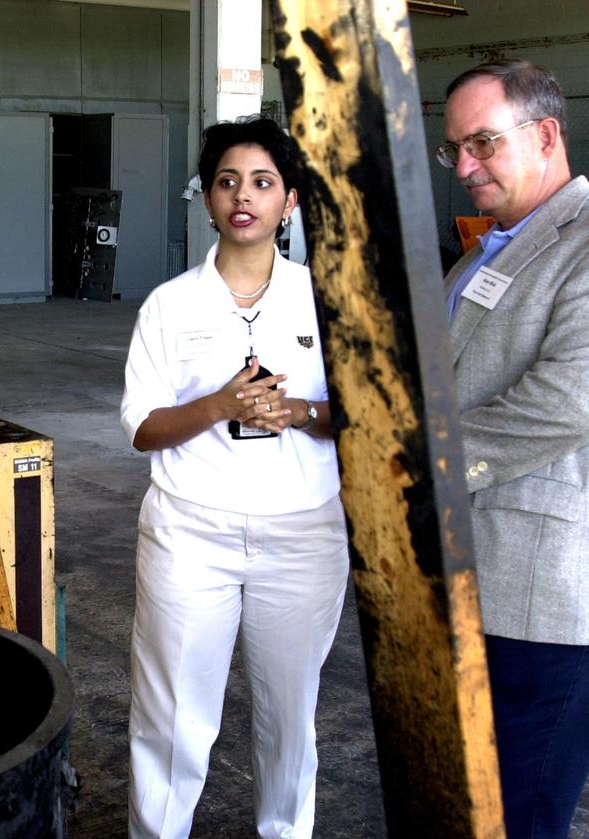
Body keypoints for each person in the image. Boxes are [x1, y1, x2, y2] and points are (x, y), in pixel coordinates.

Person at [438, 59, 589, 838]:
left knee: (521, 814)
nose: (466, 166)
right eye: (455, 149)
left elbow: (564, 404)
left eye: (482, 143)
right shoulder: (482, 253)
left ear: (545, 136)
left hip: (549, 597)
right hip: (465, 575)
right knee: (459, 805)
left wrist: (416, 461)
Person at [120, 116, 349, 839]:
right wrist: (219, 404)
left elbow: (360, 413)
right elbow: (142, 428)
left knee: (290, 715)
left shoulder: (326, 300)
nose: (242, 197)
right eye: (227, 182)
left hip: (303, 532)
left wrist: (302, 409)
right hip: (191, 532)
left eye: (262, 182)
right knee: (173, 716)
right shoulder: (170, 304)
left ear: (290, 202)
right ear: (208, 197)